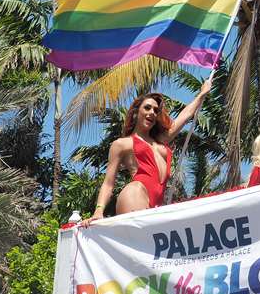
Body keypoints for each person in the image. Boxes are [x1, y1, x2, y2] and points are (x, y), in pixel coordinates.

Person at [84, 81, 212, 225]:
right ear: (136, 112)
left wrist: (202, 94)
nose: (152, 112)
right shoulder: (122, 144)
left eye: (156, 110)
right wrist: (99, 211)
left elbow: (186, 115)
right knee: (135, 244)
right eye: (147, 108)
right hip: (136, 195)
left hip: (156, 206)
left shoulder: (162, 140)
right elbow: (108, 183)